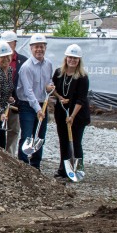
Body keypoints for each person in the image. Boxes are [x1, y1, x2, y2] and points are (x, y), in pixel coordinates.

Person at [16, 33, 55, 169]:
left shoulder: (48, 64)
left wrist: (50, 86)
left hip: (42, 104)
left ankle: (35, 165)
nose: (39, 49)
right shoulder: (26, 67)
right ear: (31, 48)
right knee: (27, 136)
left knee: (40, 136)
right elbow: (28, 91)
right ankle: (23, 164)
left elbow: (49, 81)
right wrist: (38, 110)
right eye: (36, 47)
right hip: (27, 105)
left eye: (42, 46)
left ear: (45, 48)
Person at [52, 44, 90, 179]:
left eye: (75, 58)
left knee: (75, 141)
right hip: (62, 112)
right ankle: (63, 169)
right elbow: (53, 89)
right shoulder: (58, 73)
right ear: (66, 58)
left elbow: (81, 99)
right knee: (63, 140)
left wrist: (72, 116)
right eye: (70, 57)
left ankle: (77, 169)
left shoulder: (83, 77)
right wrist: (59, 97)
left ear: (79, 60)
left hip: (78, 114)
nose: (72, 60)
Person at [0, 31, 28, 156]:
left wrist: (13, 99)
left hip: (14, 103)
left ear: (15, 43)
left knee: (13, 131)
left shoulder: (23, 60)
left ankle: (10, 156)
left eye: (9, 43)